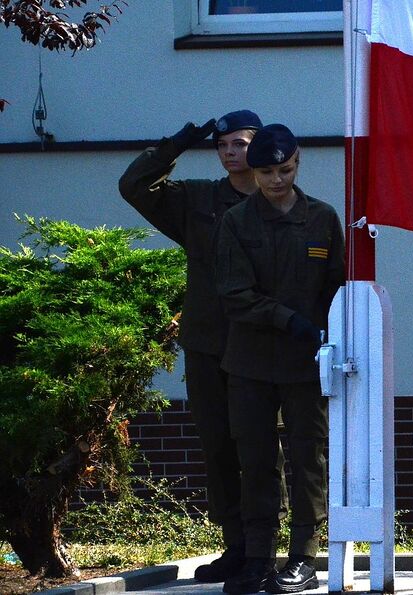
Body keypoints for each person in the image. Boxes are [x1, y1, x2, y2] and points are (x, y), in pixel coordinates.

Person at [119, 110, 288, 583]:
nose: (231, 153)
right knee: (218, 447)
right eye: (222, 146)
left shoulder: (280, 201)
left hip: (260, 345)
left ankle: (264, 549)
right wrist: (174, 145)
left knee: (259, 449)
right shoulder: (197, 201)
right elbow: (133, 186)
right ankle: (236, 545)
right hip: (209, 342)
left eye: (240, 144)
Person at [216, 124, 345, 594]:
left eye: (284, 169)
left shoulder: (323, 220)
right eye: (267, 172)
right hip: (250, 362)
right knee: (256, 460)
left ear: (299, 161)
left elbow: (340, 288)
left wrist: (334, 336)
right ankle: (258, 558)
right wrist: (287, 318)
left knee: (309, 457)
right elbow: (234, 294)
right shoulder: (237, 222)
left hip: (307, 364)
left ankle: (304, 559)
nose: (276, 180)